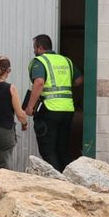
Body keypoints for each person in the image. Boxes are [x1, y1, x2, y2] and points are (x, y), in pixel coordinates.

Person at [23, 34, 82, 172]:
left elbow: (39, 82)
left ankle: (56, 183)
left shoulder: (39, 61)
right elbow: (79, 80)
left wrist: (30, 107)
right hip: (67, 110)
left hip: (50, 110)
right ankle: (69, 179)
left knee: (48, 151)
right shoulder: (66, 61)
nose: (33, 51)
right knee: (63, 149)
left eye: (34, 48)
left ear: (40, 48)